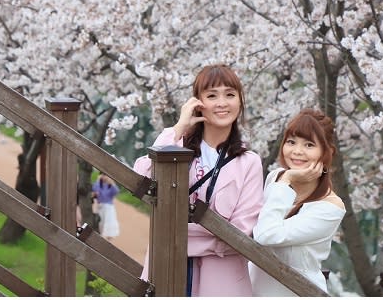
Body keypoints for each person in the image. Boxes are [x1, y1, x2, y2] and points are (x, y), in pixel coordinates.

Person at [134, 63, 264, 296]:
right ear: (197, 103)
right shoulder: (177, 148)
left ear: (240, 102)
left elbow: (240, 233)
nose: (222, 103)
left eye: (230, 95)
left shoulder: (249, 162)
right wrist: (178, 129)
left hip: (222, 283)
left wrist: (174, 235)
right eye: (212, 95)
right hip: (165, 269)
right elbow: (142, 180)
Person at [249, 108, 345, 296]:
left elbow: (266, 235)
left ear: (327, 152)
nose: (297, 151)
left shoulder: (330, 207)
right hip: (254, 288)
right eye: (291, 142)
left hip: (297, 292)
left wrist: (286, 182)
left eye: (309, 145)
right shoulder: (277, 177)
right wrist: (285, 180)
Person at [92, 173, 120, 239]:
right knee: (100, 222)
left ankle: (109, 237)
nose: (104, 177)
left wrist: (112, 183)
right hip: (100, 206)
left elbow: (116, 192)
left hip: (109, 207)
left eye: (106, 175)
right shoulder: (98, 184)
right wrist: (98, 180)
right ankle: (100, 235)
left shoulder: (110, 185)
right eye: (103, 175)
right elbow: (94, 190)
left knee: (109, 222)